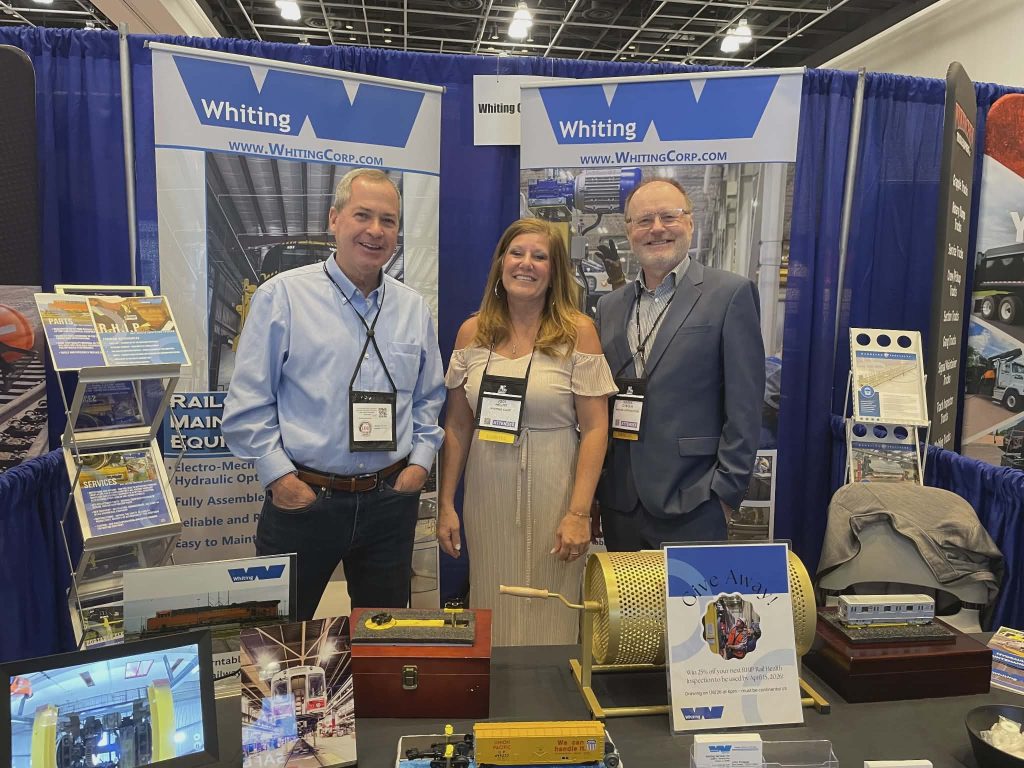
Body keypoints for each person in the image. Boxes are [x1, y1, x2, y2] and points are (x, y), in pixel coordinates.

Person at [222, 168, 445, 621]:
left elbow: (428, 398)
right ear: (334, 219)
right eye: (362, 215)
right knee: (277, 642)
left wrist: (419, 465)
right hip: (305, 501)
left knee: (381, 643)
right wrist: (280, 479)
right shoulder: (282, 297)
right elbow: (248, 403)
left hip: (389, 503)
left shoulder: (412, 309)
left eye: (388, 220)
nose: (375, 230)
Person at [438, 218, 616, 646]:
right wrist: (445, 503)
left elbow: (596, 428)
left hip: (555, 489)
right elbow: (458, 423)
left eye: (540, 257)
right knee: (491, 598)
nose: (526, 264)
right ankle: (496, 683)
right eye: (516, 253)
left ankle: (552, 682)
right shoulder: (472, 333)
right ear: (501, 263)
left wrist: (579, 513)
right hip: (487, 490)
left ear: (554, 272)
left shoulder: (578, 332)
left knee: (552, 605)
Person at [595, 178, 765, 549]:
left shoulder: (730, 294)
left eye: (668, 216)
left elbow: (745, 405)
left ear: (690, 222)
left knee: (692, 593)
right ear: (629, 231)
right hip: (621, 504)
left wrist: (725, 493)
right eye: (644, 220)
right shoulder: (609, 308)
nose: (657, 228)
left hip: (695, 501)